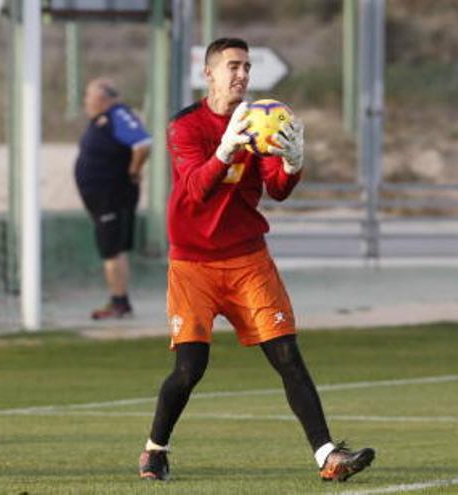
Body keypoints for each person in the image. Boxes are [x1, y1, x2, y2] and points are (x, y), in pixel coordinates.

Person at [137, 38, 375, 482]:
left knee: (287, 355)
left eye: (246, 66)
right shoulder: (185, 126)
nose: (242, 74)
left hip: (248, 259)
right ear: (208, 73)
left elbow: (278, 190)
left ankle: (328, 457)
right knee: (190, 368)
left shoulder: (262, 121)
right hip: (193, 264)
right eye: (232, 66)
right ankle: (155, 449)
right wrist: (225, 150)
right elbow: (193, 190)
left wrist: (293, 162)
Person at [74, 77, 151, 320]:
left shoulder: (119, 115)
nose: (86, 100)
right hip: (101, 196)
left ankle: (119, 303)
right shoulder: (101, 120)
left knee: (111, 251)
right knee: (113, 250)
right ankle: (121, 300)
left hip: (112, 195)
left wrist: (134, 171)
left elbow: (143, 143)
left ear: (104, 98)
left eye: (89, 95)